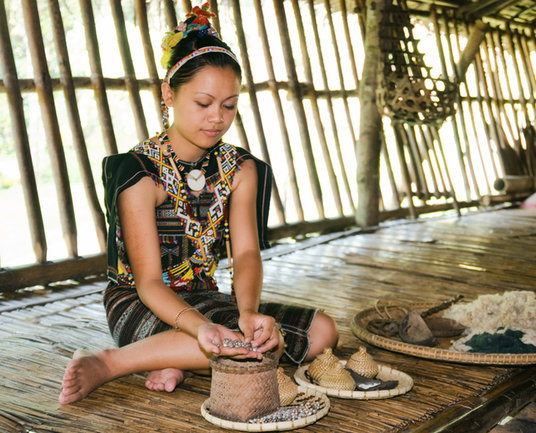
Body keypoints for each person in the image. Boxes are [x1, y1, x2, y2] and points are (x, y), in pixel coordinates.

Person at [59, 5, 338, 405]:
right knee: (231, 344)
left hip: (206, 297)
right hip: (141, 302)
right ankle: (111, 362)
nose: (217, 118)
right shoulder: (139, 174)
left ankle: (175, 357)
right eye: (204, 103)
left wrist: (246, 313)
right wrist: (201, 328)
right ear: (168, 94)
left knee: (323, 332)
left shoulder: (239, 169)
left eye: (229, 105)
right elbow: (150, 284)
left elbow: (244, 254)